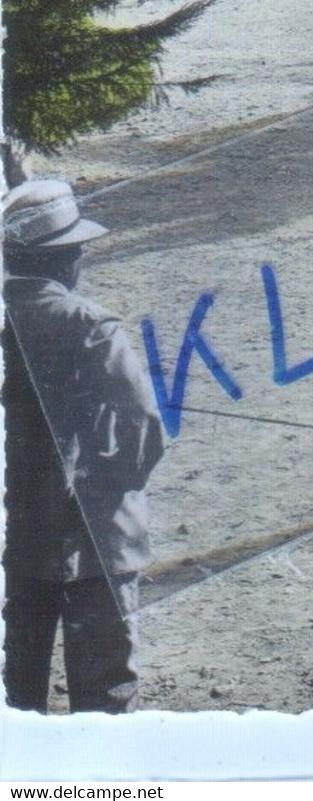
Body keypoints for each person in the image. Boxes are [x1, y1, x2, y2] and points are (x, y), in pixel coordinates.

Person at [3, 179, 166, 713]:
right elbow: (142, 419)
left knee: (16, 693)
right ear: (65, 258)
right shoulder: (90, 323)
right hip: (97, 534)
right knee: (105, 689)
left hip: (20, 533)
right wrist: (120, 482)